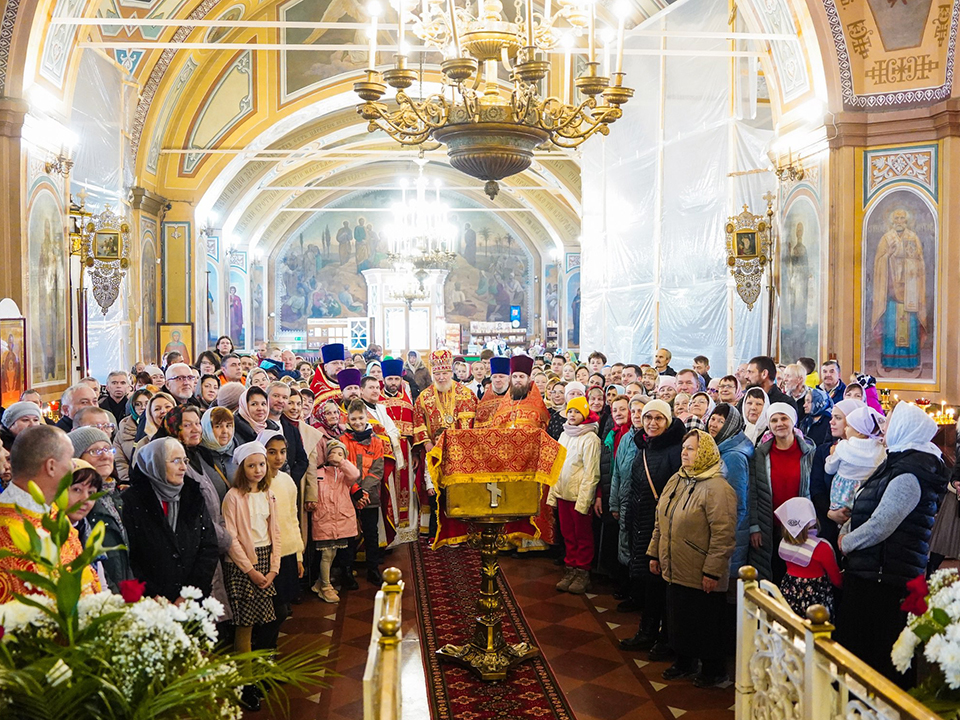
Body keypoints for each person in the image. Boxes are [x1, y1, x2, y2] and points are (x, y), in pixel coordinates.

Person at [837, 402, 946, 687]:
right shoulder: (898, 462)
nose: (882, 428)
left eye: (889, 422)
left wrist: (847, 542)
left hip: (885, 580)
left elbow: (883, 524)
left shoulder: (910, 473)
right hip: (875, 573)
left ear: (903, 428)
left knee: (879, 660)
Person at [647, 430, 736, 688]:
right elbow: (660, 519)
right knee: (679, 618)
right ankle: (684, 662)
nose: (684, 453)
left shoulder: (718, 488)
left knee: (706, 621)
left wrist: (712, 571)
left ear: (705, 452)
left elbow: (724, 535)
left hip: (701, 569)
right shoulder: (677, 479)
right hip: (675, 563)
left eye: (691, 449)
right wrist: (655, 552)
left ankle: (713, 669)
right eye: (684, 447)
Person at [0, 426, 101, 602]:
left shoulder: (53, 510)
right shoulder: (7, 530)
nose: (74, 465)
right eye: (70, 459)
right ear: (51, 466)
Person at [619, 399, 684, 658]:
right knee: (649, 584)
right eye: (648, 418)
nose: (652, 423)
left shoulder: (674, 450)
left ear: (667, 421)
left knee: (662, 584)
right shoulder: (643, 446)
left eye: (658, 419)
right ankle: (646, 631)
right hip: (642, 523)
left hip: (663, 527)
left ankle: (665, 639)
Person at [221, 441, 282, 711]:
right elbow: (231, 539)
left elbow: (275, 533)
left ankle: (256, 676)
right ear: (242, 468)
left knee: (263, 624)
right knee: (244, 628)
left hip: (266, 560)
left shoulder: (269, 494)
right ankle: (244, 684)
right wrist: (251, 571)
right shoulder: (234, 496)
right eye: (251, 465)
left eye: (261, 465)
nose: (257, 470)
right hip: (244, 565)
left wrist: (273, 568)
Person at [122, 437, 219, 601]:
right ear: (155, 463)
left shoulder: (193, 495)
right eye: (175, 461)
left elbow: (208, 546)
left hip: (191, 600)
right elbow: (129, 557)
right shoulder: (132, 501)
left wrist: (189, 594)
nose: (183, 467)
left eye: (185, 460)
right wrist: (153, 595)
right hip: (151, 602)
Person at [749, 403, 816, 583]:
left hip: (799, 526)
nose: (779, 423)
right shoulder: (761, 455)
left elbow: (813, 490)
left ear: (793, 421)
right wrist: (754, 526)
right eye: (774, 420)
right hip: (769, 524)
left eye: (784, 418)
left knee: (796, 578)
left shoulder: (808, 452)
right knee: (772, 574)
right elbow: (753, 492)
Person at [255, 430, 303, 652]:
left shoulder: (286, 480)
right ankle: (263, 656)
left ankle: (270, 652)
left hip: (288, 552)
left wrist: (299, 555)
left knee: (282, 609)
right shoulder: (256, 484)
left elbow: (293, 518)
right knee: (273, 611)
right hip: (266, 555)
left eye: (282, 452)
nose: (278, 458)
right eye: (271, 452)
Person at [549, 396, 601, 595]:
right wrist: (554, 494)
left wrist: (584, 500)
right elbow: (558, 465)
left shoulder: (590, 438)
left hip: (579, 496)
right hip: (563, 493)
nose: (572, 415)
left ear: (585, 414)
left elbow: (591, 473)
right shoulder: (564, 434)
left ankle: (583, 571)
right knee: (568, 534)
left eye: (577, 412)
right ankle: (570, 568)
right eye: (570, 411)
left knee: (583, 536)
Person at [69, 426, 131, 592]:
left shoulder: (116, 495)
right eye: (94, 451)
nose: (105, 455)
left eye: (107, 448)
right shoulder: (76, 505)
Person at [305, 438, 363, 603]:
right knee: (326, 554)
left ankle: (319, 583)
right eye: (333, 452)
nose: (336, 456)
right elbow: (311, 489)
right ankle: (325, 586)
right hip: (324, 520)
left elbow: (355, 473)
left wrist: (342, 462)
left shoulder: (345, 475)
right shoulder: (319, 472)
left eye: (340, 453)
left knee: (334, 552)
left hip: (342, 519)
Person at [341, 398, 387, 585]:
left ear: (366, 417)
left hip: (370, 496)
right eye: (354, 419)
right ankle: (347, 570)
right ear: (348, 420)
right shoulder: (342, 440)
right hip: (349, 494)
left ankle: (373, 568)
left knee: (371, 532)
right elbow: (341, 467)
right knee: (349, 534)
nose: (358, 422)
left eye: (361, 418)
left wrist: (364, 492)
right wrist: (356, 491)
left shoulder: (376, 441)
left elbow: (377, 468)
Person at [706, 403, 753, 584]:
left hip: (729, 535)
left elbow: (736, 503)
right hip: (721, 532)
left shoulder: (733, 456)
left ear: (731, 425)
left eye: (721, 421)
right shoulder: (718, 448)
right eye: (713, 418)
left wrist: (724, 536)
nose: (714, 424)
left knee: (727, 589)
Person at [775, 497, 843, 618]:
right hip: (815, 602)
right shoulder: (822, 547)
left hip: (789, 594)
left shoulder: (784, 543)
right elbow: (837, 580)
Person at [609, 396, 644, 611]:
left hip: (641, 503)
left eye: (642, 411)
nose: (638, 415)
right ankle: (627, 586)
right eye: (635, 411)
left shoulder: (649, 439)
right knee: (624, 544)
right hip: (623, 500)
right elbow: (616, 473)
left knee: (636, 547)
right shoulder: (626, 439)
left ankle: (636, 594)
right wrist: (614, 503)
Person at [825, 405, 886, 516]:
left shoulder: (843, 446)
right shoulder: (880, 448)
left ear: (859, 432)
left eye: (848, 426)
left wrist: (830, 456)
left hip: (842, 497)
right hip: (867, 496)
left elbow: (829, 469)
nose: (845, 429)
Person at [113, 388, 152, 483]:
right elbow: (119, 460)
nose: (143, 407)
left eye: (147, 403)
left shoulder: (159, 427)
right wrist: (128, 481)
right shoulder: (123, 429)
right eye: (138, 404)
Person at [310, 342, 346, 414]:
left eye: (341, 363)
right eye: (335, 363)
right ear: (325, 367)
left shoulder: (350, 386)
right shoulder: (316, 389)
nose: (339, 366)